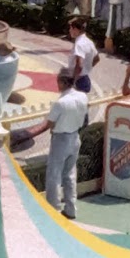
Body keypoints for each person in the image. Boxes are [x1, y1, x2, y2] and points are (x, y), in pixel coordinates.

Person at [30, 71, 87, 219]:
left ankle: (53, 209)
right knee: (70, 174)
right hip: (75, 136)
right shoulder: (82, 97)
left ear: (62, 82)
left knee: (54, 175)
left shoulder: (60, 103)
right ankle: (71, 208)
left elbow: (50, 123)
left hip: (60, 139)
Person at [65, 16, 97, 93]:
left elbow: (79, 65)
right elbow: (97, 59)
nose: (69, 31)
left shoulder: (79, 44)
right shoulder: (89, 42)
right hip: (85, 78)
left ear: (76, 29)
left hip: (78, 81)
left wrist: (73, 81)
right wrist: (87, 67)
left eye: (70, 28)